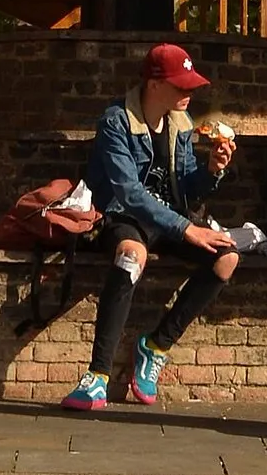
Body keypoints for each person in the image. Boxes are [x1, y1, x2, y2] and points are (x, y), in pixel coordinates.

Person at [62, 41, 238, 412]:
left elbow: (186, 188)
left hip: (168, 219)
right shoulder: (116, 121)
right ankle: (97, 377)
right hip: (121, 216)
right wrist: (186, 229)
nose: (189, 92)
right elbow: (127, 192)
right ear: (154, 84)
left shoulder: (182, 124)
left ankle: (155, 346)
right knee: (130, 256)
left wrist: (212, 171)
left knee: (226, 259)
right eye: (181, 85)